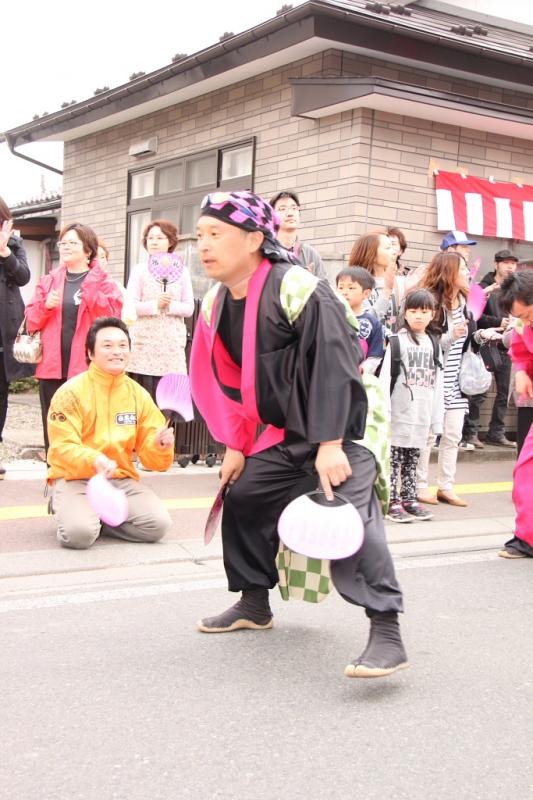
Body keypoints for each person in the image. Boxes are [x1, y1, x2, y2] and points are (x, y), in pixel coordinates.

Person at [190, 190, 408, 679]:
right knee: (245, 496)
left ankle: (387, 631)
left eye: (215, 234)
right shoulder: (216, 302)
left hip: (345, 419)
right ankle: (253, 603)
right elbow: (227, 381)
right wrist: (235, 445)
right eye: (200, 235)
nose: (202, 245)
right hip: (283, 429)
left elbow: (337, 362)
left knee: (350, 515)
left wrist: (331, 442)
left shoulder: (298, 286)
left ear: (252, 239)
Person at [47, 317, 174, 550]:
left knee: (158, 525)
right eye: (107, 345)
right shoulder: (70, 393)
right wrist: (94, 459)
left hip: (120, 478)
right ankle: (70, 507)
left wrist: (159, 446)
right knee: (79, 535)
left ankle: (101, 516)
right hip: (76, 477)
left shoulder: (139, 395)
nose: (117, 351)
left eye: (122, 345)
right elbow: (61, 446)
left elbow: (153, 458)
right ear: (91, 353)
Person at [25, 223, 123, 456]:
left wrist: (91, 290)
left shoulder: (103, 282)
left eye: (72, 243)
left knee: (87, 427)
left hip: (86, 369)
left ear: (88, 250)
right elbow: (30, 321)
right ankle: (55, 478)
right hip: (52, 367)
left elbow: (112, 319)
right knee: (54, 425)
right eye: (63, 243)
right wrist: (46, 306)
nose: (66, 247)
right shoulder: (49, 281)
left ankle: (83, 478)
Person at [416, 252, 489, 507]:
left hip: (457, 380)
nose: (466, 273)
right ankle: (420, 485)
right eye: (462, 269)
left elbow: (468, 340)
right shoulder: (431, 302)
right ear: (449, 272)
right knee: (427, 434)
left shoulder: (466, 302)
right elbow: (425, 342)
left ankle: (446, 486)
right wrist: (451, 337)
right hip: (434, 376)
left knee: (453, 434)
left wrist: (481, 336)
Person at [379, 289, 443, 523]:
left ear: (432, 314)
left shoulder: (433, 345)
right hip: (398, 412)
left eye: (424, 312)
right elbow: (385, 380)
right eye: (413, 311)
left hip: (422, 414)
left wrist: (437, 420)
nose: (418, 316)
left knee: (413, 458)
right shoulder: (397, 342)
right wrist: (386, 412)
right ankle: (393, 500)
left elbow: (439, 385)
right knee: (394, 459)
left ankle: (409, 498)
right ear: (404, 314)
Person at [125, 219, 194, 400]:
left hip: (171, 347)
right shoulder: (139, 271)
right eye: (150, 238)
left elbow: (189, 308)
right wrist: (155, 305)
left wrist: (169, 305)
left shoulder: (182, 272)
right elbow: (130, 305)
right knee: (141, 400)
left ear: (170, 242)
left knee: (170, 403)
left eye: (159, 238)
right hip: (143, 345)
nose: (154, 242)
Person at [496, 270, 533, 559]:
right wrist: (521, 370)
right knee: (526, 469)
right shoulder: (524, 324)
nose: (526, 322)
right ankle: (527, 538)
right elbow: (520, 350)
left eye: (529, 314)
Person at [467, 249, 518, 449]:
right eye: (506, 262)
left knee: (504, 393)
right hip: (486, 345)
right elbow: (474, 317)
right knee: (480, 392)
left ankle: (496, 433)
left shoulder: (514, 289)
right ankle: (471, 432)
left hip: (506, 346)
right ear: (496, 264)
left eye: (513, 263)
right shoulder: (482, 287)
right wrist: (499, 321)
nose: (510, 266)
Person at [0, 197, 35, 478]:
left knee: (1, 396)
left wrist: (4, 251)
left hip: (5, 330)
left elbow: (23, 276)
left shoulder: (14, 245)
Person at [336, 266, 384, 374]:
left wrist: (361, 371)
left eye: (351, 288)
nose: (345, 292)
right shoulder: (329, 316)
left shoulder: (373, 324)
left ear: (366, 293)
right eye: (341, 287)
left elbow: (375, 357)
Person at [348, 230, 401, 328]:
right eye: (388, 248)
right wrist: (386, 291)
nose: (394, 252)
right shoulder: (354, 285)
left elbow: (397, 320)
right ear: (372, 255)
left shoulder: (395, 282)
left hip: (389, 343)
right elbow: (364, 323)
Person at [269, 191, 327, 279]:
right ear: (272, 217)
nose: (290, 213)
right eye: (282, 209)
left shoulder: (310, 254)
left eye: (294, 208)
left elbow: (324, 289)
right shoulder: (267, 251)